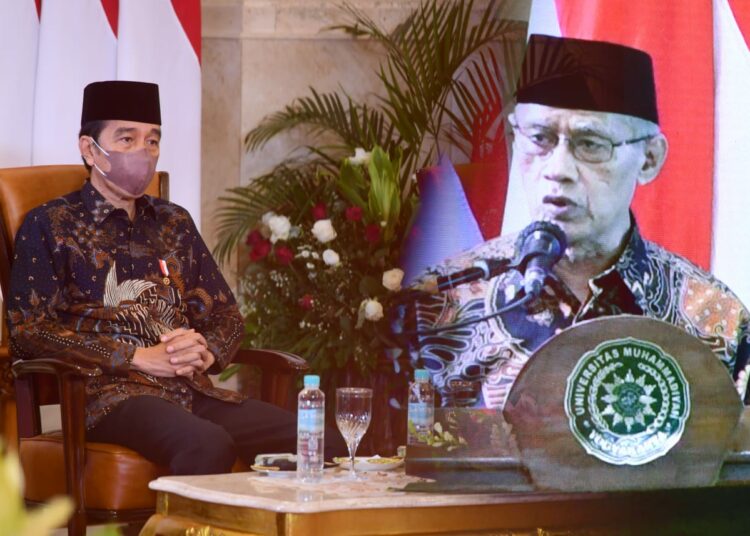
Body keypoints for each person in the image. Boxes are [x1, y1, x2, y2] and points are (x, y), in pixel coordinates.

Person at [8, 80, 343, 474]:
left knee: (323, 438)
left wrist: (206, 350)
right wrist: (134, 357)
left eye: (152, 141)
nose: (143, 153)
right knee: (206, 443)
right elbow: (28, 330)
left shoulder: (174, 222)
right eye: (127, 139)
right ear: (89, 148)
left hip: (189, 389)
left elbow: (226, 315)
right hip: (107, 396)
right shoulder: (50, 224)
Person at [411, 34, 750, 409]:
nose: (557, 170)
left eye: (590, 144)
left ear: (650, 158)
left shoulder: (715, 321)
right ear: (514, 137)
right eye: (539, 138)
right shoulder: (440, 306)